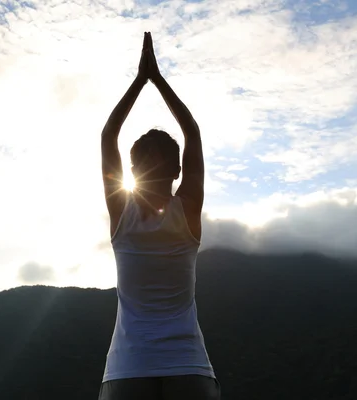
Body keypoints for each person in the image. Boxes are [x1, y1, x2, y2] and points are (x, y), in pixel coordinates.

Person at [98, 32, 221, 400]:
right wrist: (159, 80)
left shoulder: (122, 215)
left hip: (127, 369)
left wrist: (140, 81)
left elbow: (109, 134)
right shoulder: (187, 214)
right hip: (190, 368)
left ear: (131, 172)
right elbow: (193, 132)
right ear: (178, 171)